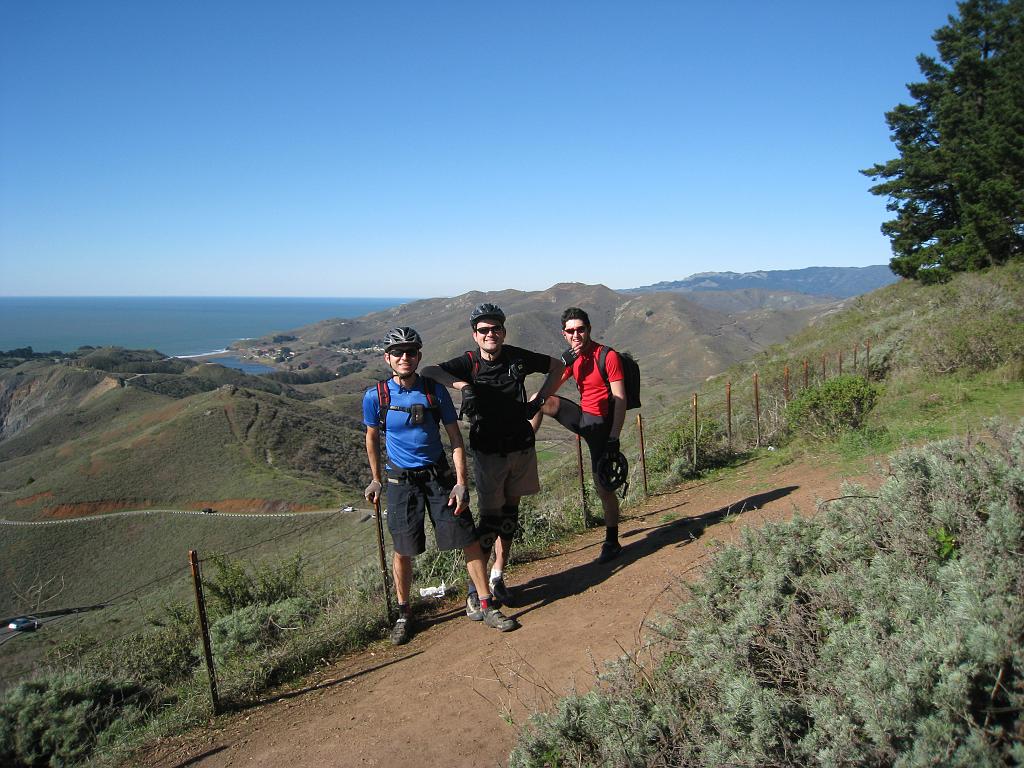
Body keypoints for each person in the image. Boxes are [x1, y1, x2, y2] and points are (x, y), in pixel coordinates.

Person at [363, 326, 518, 645]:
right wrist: (377, 479)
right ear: (387, 358)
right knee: (402, 550)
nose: (405, 357)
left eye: (411, 352)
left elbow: (456, 439)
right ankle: (405, 613)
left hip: (438, 477)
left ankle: (485, 604)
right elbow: (372, 437)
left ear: (419, 356)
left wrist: (461, 483)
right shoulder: (376, 396)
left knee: (468, 539)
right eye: (398, 352)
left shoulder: (434, 391)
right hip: (401, 480)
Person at [421, 304, 564, 617]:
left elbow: (558, 365)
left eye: (495, 329)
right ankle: (477, 589)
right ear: (475, 335)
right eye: (483, 330)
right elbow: (428, 372)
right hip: (489, 454)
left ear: (503, 331)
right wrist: (463, 385)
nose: (490, 334)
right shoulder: (469, 363)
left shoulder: (517, 357)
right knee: (489, 520)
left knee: (510, 515)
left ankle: (498, 574)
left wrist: (539, 400)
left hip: (521, 448)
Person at [530, 307, 626, 563]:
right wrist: (562, 364)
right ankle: (523, 444)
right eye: (570, 331)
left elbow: (620, 399)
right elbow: (550, 388)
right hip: (584, 417)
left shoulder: (607, 356)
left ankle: (612, 540)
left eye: (580, 329)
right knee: (536, 400)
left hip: (601, 427)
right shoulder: (574, 359)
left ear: (588, 329)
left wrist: (614, 438)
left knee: (603, 487)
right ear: (564, 334)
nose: (576, 335)